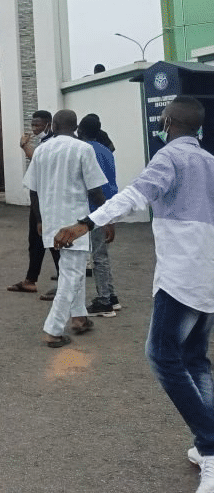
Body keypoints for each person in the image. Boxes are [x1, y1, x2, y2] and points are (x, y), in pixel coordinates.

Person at [55, 97, 214, 490]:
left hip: (183, 275)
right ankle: (207, 442)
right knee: (194, 358)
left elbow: (133, 195)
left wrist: (85, 223)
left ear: (169, 120)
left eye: (163, 119)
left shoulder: (170, 157)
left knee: (161, 354)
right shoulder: (209, 161)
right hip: (207, 274)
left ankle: (211, 446)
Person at [23, 109, 110, 348]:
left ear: (53, 125)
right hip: (75, 224)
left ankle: (79, 318)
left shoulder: (41, 151)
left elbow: (33, 190)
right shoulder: (83, 149)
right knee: (71, 275)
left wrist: (39, 220)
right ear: (75, 127)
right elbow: (95, 190)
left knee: (74, 271)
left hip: (51, 222)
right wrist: (107, 218)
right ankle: (53, 330)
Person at [74, 113, 121, 317]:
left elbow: (94, 186)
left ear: (81, 131)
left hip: (96, 208)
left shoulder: (85, 150)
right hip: (109, 203)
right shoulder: (106, 150)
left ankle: (104, 302)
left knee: (99, 256)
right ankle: (111, 297)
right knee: (102, 254)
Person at [7, 109, 57, 294]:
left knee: (52, 241)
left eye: (38, 125)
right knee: (35, 241)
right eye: (33, 125)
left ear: (49, 124)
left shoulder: (52, 143)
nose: (34, 128)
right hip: (38, 200)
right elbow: (37, 160)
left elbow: (39, 161)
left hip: (48, 200)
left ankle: (63, 284)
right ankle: (30, 280)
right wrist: (24, 147)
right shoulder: (44, 143)